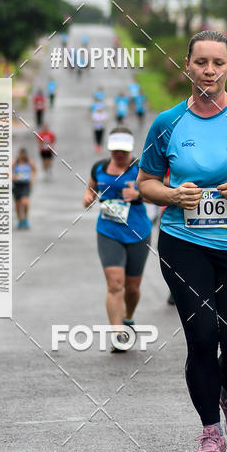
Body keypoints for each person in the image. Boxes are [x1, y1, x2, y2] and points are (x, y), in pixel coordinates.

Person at [137, 30, 227, 452]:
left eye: (218, 62)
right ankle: (209, 433)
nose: (209, 70)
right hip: (184, 244)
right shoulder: (167, 123)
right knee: (201, 337)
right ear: (187, 66)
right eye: (201, 62)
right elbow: (145, 183)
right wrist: (172, 196)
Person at [83, 127, 152, 352]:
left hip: (138, 232)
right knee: (115, 284)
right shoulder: (100, 167)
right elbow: (92, 186)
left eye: (124, 150)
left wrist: (139, 195)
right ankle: (117, 334)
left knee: (132, 288)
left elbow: (162, 192)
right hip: (108, 231)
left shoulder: (142, 168)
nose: (120, 155)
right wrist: (88, 196)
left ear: (131, 149)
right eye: (116, 150)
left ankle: (128, 317)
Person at [12, 147, 36, 229]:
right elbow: (8, 171)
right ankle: (20, 221)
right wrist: (13, 177)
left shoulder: (29, 162)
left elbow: (35, 170)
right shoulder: (15, 162)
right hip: (17, 185)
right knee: (17, 204)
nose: (22, 156)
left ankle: (25, 219)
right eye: (20, 154)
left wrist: (32, 178)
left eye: (23, 154)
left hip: (26, 184)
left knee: (25, 202)